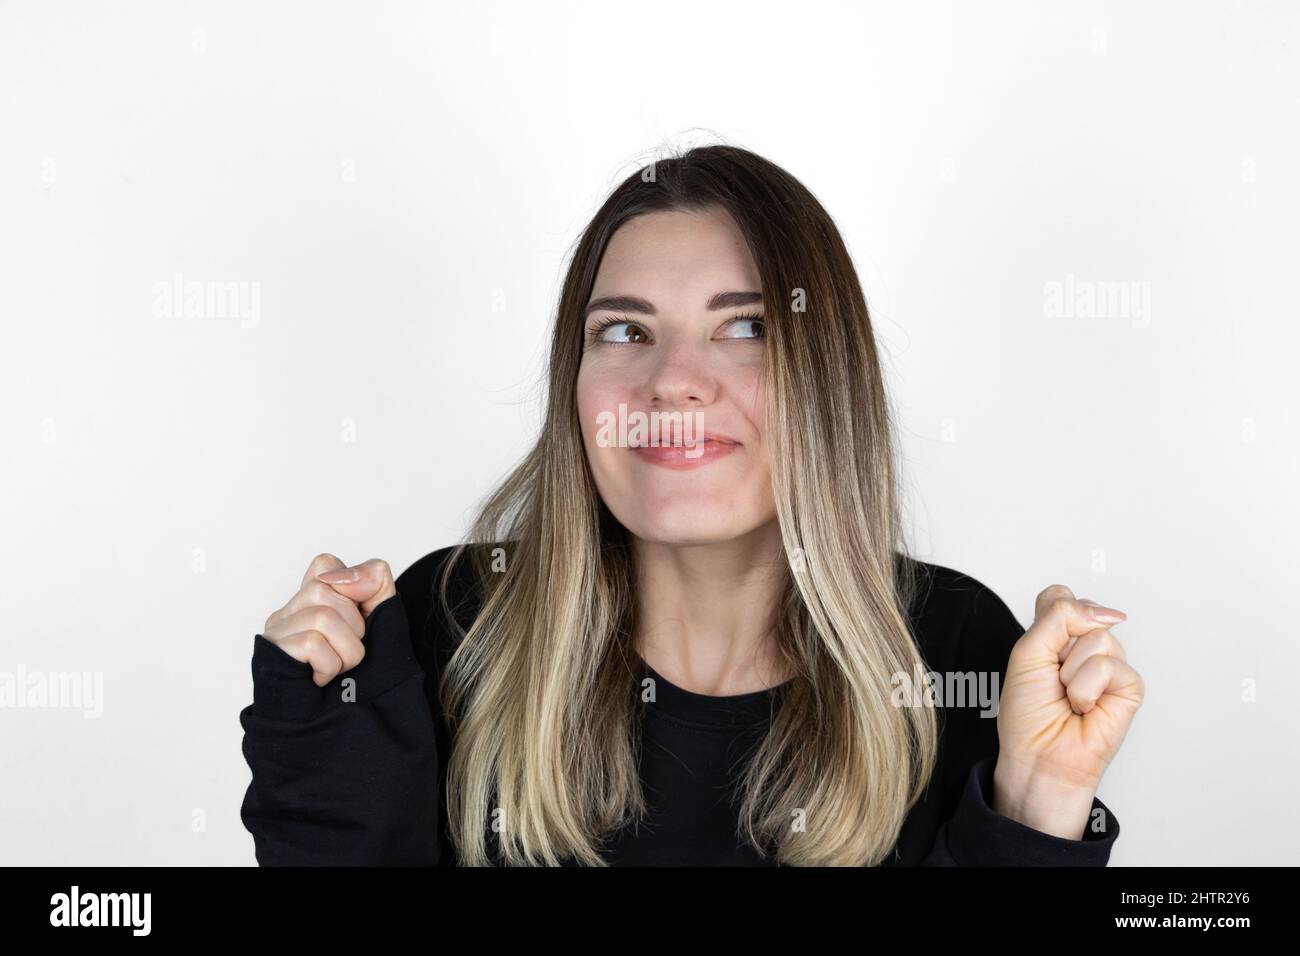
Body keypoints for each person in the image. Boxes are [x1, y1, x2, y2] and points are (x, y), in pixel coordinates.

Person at [239, 145, 1144, 866]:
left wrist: (1033, 805)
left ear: (827, 376)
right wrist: (321, 745)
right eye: (626, 331)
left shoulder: (952, 652)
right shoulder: (449, 627)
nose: (672, 382)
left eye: (744, 327)